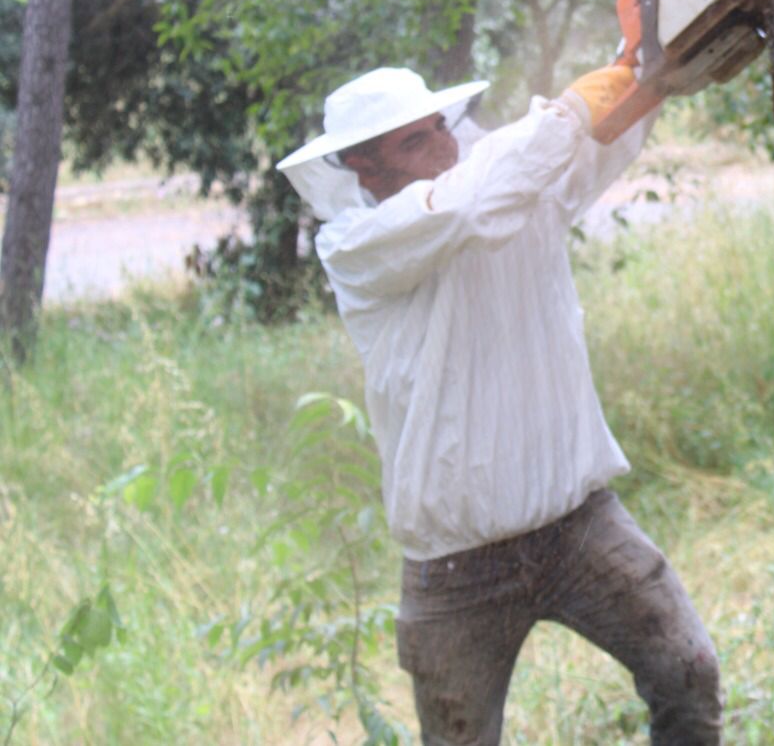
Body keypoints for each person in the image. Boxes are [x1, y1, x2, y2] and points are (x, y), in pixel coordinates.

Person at [277, 64, 720, 746]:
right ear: (364, 168)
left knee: (687, 673)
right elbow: (464, 207)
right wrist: (568, 112)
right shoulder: (358, 247)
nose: (444, 146)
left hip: (578, 526)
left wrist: (653, 59)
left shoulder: (510, 186)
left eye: (438, 128)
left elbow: (598, 137)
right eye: (414, 142)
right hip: (455, 568)